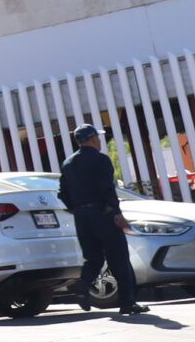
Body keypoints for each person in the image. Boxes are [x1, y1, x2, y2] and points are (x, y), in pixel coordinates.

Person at [60, 125, 143, 316]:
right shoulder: (100, 160)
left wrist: (77, 209)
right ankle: (127, 303)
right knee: (119, 257)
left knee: (93, 257)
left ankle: (83, 287)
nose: (100, 141)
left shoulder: (68, 163)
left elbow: (62, 193)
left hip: (81, 216)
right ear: (92, 139)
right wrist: (116, 212)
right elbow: (106, 188)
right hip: (102, 213)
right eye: (98, 137)